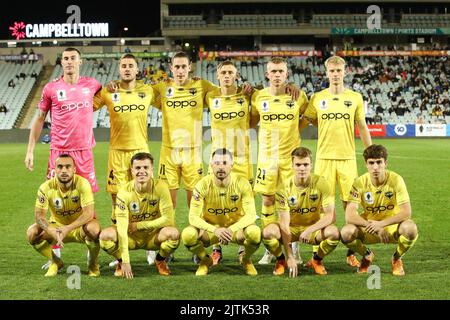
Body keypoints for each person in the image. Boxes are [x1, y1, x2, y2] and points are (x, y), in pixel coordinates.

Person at [25, 47, 102, 268]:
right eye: (65, 58)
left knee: (89, 205)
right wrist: (30, 150)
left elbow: (104, 97)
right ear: (61, 62)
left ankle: (91, 254)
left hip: (84, 152)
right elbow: (39, 119)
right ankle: (56, 259)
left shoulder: (92, 84)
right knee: (54, 203)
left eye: (73, 58)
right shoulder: (51, 88)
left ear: (80, 62)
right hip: (58, 152)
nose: (69, 62)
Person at [304, 55, 372, 268]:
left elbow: (362, 126)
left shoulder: (355, 98)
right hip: (324, 159)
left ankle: (352, 251)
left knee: (350, 208)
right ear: (326, 73)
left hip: (347, 159)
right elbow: (308, 119)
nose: (335, 74)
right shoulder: (317, 98)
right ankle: (317, 256)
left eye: (338, 71)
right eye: (331, 71)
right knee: (322, 208)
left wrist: (370, 153)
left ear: (345, 72)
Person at [94, 53, 159, 267]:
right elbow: (87, 103)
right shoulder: (108, 91)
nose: (127, 68)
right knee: (117, 202)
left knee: (148, 199)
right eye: (123, 65)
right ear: (119, 69)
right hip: (117, 154)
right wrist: (100, 85)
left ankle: (151, 248)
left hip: (140, 151)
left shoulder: (147, 90)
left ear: (138, 69)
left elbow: (171, 96)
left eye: (131, 65)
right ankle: (122, 251)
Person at [250, 57, 309, 265]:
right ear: (267, 74)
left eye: (280, 71)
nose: (277, 75)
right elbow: (251, 121)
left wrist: (295, 130)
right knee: (267, 201)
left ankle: (294, 246)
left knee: (292, 203)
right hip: (267, 159)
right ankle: (271, 248)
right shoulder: (258, 97)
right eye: (273, 71)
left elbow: (308, 116)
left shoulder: (298, 96)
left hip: (290, 160)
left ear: (287, 74)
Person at [203, 60, 253, 265]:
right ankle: (216, 248)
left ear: (236, 75)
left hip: (242, 159)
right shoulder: (210, 96)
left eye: (230, 72)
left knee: (242, 204)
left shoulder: (246, 95)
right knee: (212, 203)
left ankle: (242, 246)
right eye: (223, 72)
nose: (226, 75)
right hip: (216, 159)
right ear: (217, 75)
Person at [340, 145, 418, 276]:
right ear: (366, 164)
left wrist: (381, 225)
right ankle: (367, 255)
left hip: (392, 227)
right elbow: (349, 215)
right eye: (371, 163)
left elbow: (406, 212)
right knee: (346, 232)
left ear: (385, 163)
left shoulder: (396, 180)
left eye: (379, 162)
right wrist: (375, 227)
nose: (375, 167)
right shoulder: (359, 182)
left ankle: (397, 258)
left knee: (411, 229)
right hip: (369, 227)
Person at [181, 148, 261, 276]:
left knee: (254, 232)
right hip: (212, 232)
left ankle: (246, 260)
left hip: (235, 231)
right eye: (217, 163)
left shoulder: (242, 183)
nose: (221, 167)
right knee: (188, 234)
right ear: (211, 165)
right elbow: (193, 218)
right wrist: (216, 230)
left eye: (224, 163)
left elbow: (251, 215)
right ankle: (205, 260)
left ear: (231, 165)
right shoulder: (202, 185)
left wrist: (230, 230)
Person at [99, 152, 179, 278]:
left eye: (146, 168)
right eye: (137, 168)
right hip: (131, 237)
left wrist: (139, 225)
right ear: (132, 170)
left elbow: (168, 219)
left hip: (153, 236)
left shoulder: (161, 187)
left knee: (173, 234)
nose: (142, 171)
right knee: (105, 237)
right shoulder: (124, 193)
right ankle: (120, 262)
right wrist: (125, 259)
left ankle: (160, 260)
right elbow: (122, 227)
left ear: (152, 169)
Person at [262, 147, 339, 277]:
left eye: (305, 164)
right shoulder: (283, 188)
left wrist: (310, 230)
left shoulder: (321, 183)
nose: (302, 168)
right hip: (290, 230)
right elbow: (284, 224)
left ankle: (316, 260)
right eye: (298, 165)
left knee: (334, 233)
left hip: (312, 230)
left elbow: (331, 215)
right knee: (268, 232)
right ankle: (281, 260)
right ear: (292, 166)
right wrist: (290, 256)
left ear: (311, 165)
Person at [26, 154, 101, 277]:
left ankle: (93, 264)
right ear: (54, 170)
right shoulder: (45, 187)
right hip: (57, 229)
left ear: (74, 169)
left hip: (78, 228)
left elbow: (89, 213)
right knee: (32, 233)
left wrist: (68, 228)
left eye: (68, 167)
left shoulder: (83, 183)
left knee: (94, 229)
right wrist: (51, 230)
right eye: (60, 167)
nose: (64, 170)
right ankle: (56, 262)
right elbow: (39, 216)